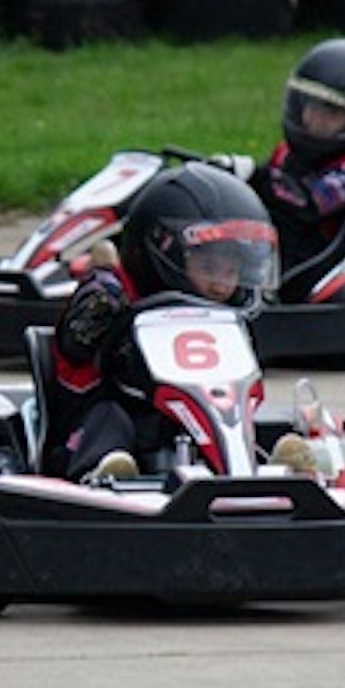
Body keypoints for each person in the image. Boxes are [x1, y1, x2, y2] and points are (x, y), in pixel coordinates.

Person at [45, 162, 283, 482]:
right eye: (209, 268)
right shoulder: (114, 292)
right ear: (160, 252)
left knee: (254, 414)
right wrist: (103, 308)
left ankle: (276, 463)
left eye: (231, 271)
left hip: (187, 429)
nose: (221, 285)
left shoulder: (227, 319)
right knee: (112, 419)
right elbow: (75, 343)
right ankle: (104, 469)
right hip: (95, 425)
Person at [215, 37, 345, 275]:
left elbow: (307, 204)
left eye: (331, 113)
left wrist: (256, 175)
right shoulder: (287, 154)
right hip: (272, 252)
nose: (316, 119)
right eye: (313, 107)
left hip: (311, 267)